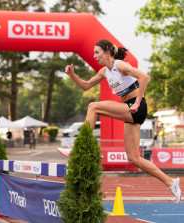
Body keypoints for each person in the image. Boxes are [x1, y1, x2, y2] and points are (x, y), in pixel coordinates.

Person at [64, 39, 181, 204]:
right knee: (133, 158)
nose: (94, 56)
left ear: (107, 52)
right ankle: (171, 183)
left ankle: (80, 148)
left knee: (93, 106)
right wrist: (72, 75)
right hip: (130, 109)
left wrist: (138, 102)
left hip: (136, 107)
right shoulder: (104, 71)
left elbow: (144, 77)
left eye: (97, 52)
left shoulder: (120, 66)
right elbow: (86, 86)